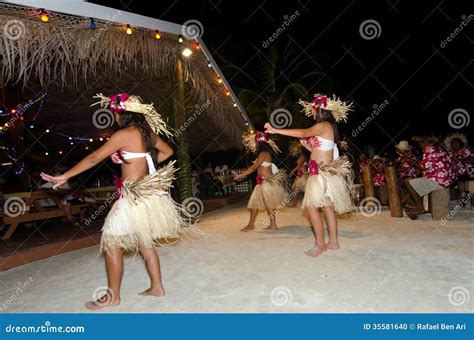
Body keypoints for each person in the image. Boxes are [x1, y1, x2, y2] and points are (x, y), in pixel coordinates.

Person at [41, 93, 188, 309]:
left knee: (111, 241)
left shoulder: (123, 134)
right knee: (145, 242)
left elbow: (93, 158)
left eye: (115, 114)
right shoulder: (148, 133)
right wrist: (142, 161)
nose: (115, 118)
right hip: (147, 196)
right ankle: (157, 287)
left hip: (132, 197)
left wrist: (66, 176)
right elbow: (168, 151)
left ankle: (112, 297)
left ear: (122, 115)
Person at [265, 93, 354, 257]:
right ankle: (333, 242)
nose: (311, 112)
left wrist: (275, 130)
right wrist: (307, 147)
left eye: (313, 109)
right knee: (327, 207)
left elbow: (303, 132)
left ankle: (320, 245)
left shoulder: (324, 125)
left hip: (321, 174)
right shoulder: (327, 127)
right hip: (323, 172)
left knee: (312, 208)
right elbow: (319, 151)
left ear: (318, 110)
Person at [233, 131, 286, 232]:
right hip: (264, 183)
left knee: (254, 204)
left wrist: (239, 175)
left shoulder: (263, 154)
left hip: (266, 183)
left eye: (256, 143)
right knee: (268, 204)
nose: (255, 145)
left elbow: (253, 168)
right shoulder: (265, 153)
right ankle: (273, 224)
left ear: (259, 144)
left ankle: (250, 225)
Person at [403, 136, 452, 219]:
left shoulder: (429, 149)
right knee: (416, 182)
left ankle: (420, 208)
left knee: (408, 183)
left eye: (420, 143)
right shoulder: (439, 149)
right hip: (445, 180)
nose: (419, 145)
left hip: (438, 181)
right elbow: (427, 166)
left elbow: (423, 168)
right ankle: (419, 206)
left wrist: (410, 161)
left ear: (424, 142)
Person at [443, 133, 474, 204]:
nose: (454, 145)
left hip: (467, 173)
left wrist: (465, 161)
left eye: (456, 143)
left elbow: (471, 160)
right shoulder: (449, 153)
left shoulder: (466, 151)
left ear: (461, 144)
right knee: (445, 180)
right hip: (454, 175)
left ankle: (463, 199)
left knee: (460, 180)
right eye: (453, 143)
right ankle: (450, 200)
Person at [287, 140, 308, 207]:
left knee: (297, 188)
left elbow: (300, 165)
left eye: (298, 149)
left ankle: (314, 204)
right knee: (295, 188)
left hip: (303, 174)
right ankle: (294, 203)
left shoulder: (303, 156)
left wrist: (293, 170)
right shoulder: (300, 156)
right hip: (300, 174)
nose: (297, 150)